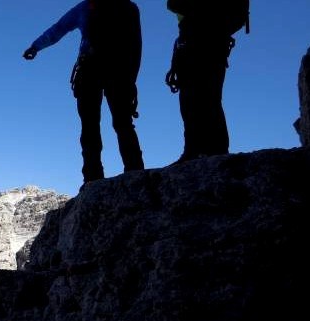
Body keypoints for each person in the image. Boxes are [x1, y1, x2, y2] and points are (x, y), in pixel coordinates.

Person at [23, 0, 145, 184]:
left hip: (89, 70)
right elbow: (136, 46)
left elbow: (58, 29)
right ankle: (134, 170)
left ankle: (92, 176)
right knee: (122, 123)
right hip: (118, 71)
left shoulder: (86, 7)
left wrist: (35, 46)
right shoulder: (128, 7)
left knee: (90, 126)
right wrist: (131, 80)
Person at [165, 0, 248, 163]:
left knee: (205, 98)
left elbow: (174, 4)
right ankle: (197, 149)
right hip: (197, 43)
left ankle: (211, 149)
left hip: (207, 43)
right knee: (193, 99)